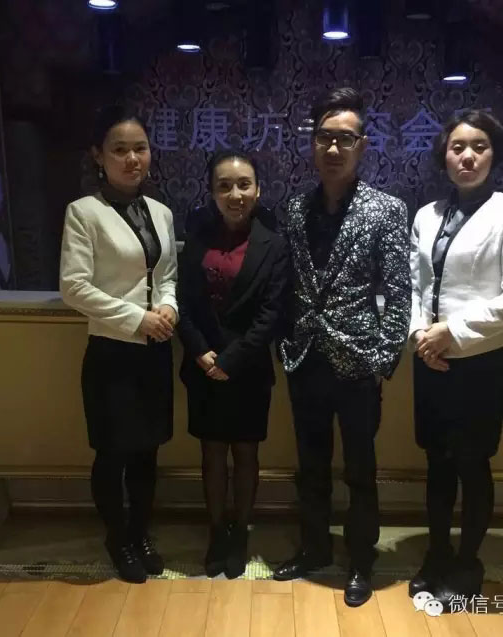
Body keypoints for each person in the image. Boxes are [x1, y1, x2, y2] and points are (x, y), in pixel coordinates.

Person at [273, 87, 411, 607]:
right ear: (312, 143)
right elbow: (287, 286)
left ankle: (360, 560)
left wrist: (382, 359)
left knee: (359, 470)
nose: (334, 148)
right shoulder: (294, 209)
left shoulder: (386, 210)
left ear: (363, 145)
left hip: (357, 364)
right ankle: (313, 548)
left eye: (345, 139)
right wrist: (286, 343)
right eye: (325, 137)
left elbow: (399, 292)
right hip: (305, 358)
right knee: (310, 464)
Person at [408, 109, 503, 607]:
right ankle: (437, 553)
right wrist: (421, 335)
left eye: (479, 146)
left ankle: (467, 561)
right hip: (430, 358)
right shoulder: (427, 214)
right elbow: (416, 286)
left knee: (471, 462)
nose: (467, 156)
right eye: (457, 147)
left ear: (494, 154)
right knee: (436, 462)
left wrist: (453, 332)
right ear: (444, 155)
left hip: (478, 360)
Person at [60, 105, 178, 583]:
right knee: (112, 454)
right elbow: (74, 287)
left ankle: (141, 532)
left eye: (140, 148)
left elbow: (167, 274)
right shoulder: (83, 213)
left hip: (155, 351)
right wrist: (137, 319)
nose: (132, 159)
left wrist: (168, 308)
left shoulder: (161, 212)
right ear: (98, 155)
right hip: (111, 352)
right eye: (120, 150)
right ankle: (118, 538)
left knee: (149, 450)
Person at [176, 150, 288, 579]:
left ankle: (240, 532)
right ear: (211, 192)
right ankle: (216, 532)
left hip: (248, 370)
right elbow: (183, 303)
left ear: (258, 190)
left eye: (244, 185)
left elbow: (271, 315)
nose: (235, 194)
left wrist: (231, 359)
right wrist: (199, 351)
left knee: (245, 454)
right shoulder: (197, 238)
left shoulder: (274, 245)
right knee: (211, 453)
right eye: (224, 186)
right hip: (202, 365)